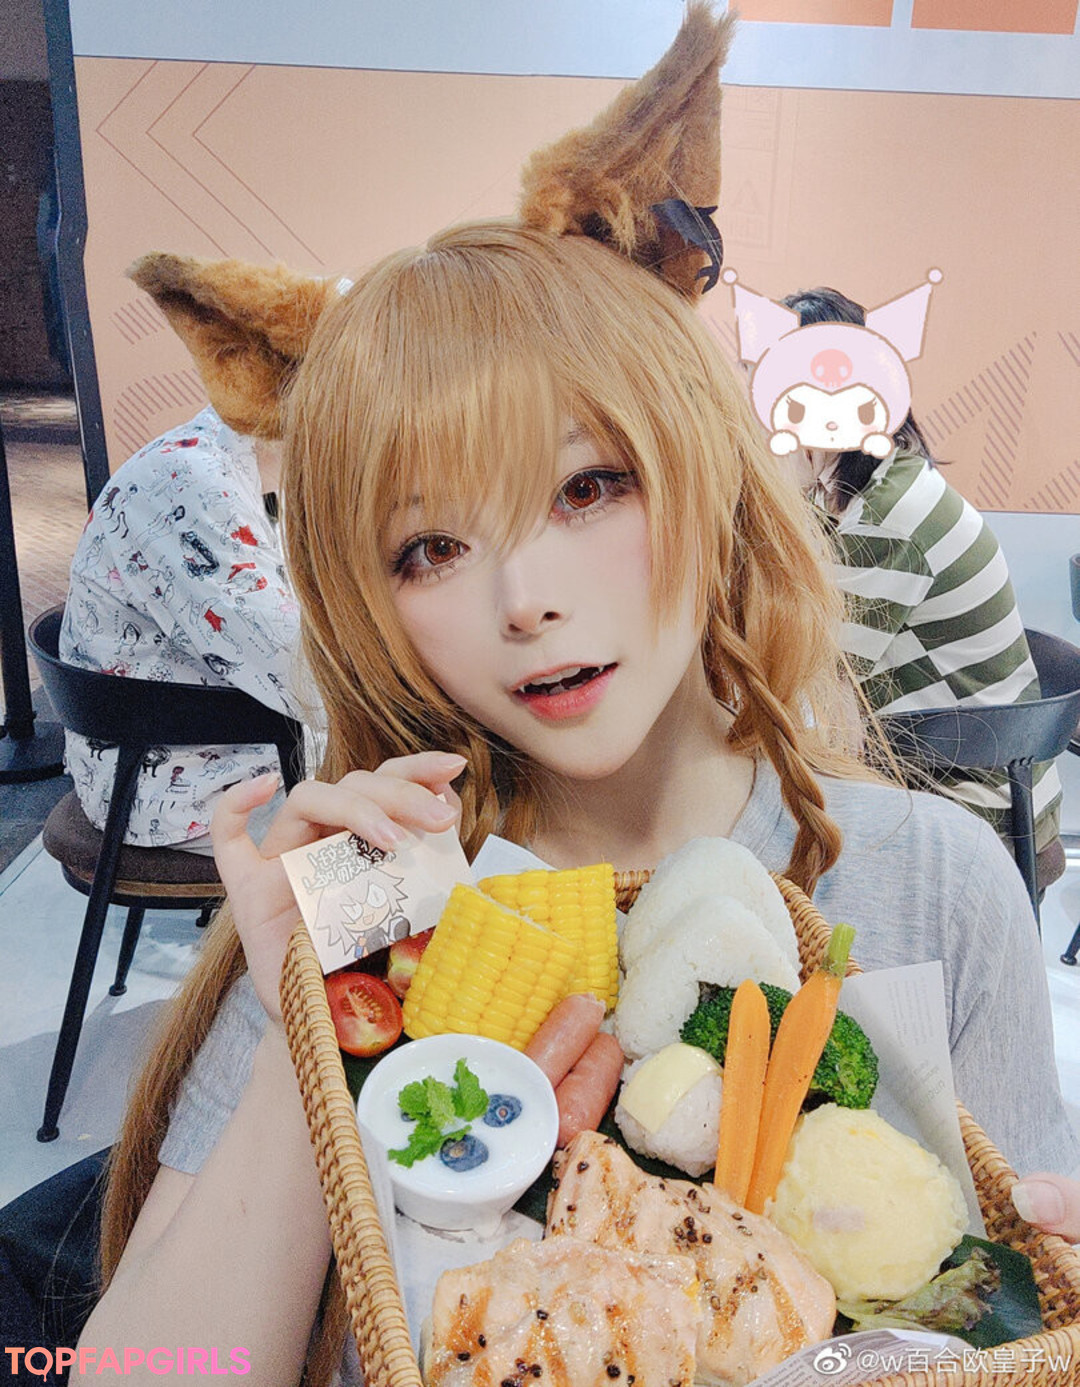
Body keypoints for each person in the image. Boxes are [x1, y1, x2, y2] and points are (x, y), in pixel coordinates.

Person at [77, 7, 1078, 1382]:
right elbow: (148, 1372)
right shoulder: (380, 897)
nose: (523, 598)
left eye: (588, 485)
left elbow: (1021, 1322)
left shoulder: (935, 885)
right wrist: (310, 1011)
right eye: (429, 548)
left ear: (707, 468)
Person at [777, 285, 1063, 870]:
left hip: (975, 799)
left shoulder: (888, 521)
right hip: (967, 770)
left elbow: (811, 679)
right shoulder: (873, 484)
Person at [60, 406, 303, 852]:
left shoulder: (235, 462)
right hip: (168, 789)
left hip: (224, 746)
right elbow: (306, 677)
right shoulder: (196, 486)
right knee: (411, 817)